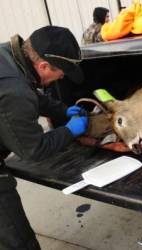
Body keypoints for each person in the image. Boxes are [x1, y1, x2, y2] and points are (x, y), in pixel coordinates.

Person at [0, 25, 89, 249]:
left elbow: (30, 94)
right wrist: (70, 130)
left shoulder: (9, 57)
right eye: (61, 73)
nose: (61, 78)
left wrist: (62, 110)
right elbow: (33, 150)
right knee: (18, 242)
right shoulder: (14, 91)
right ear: (43, 65)